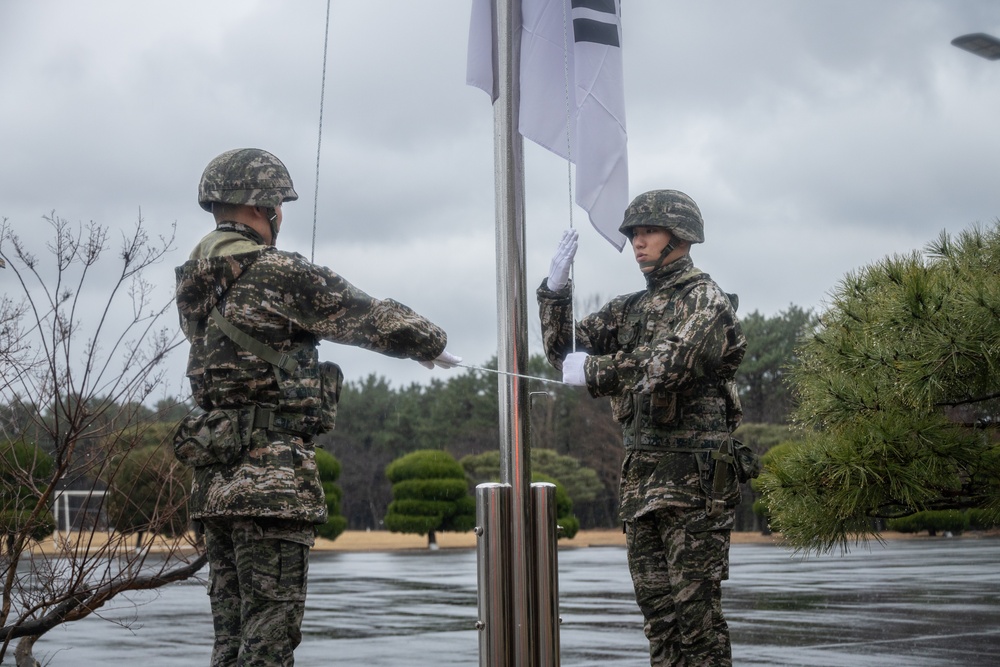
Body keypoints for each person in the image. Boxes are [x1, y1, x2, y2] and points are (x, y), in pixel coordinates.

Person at [173, 148, 459, 667]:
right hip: (271, 485)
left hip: (216, 483)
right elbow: (366, 315)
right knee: (268, 646)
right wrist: (431, 344)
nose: (281, 213)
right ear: (263, 206)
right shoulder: (276, 271)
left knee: (230, 645)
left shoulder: (196, 281)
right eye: (278, 202)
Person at [537, 189, 746, 666]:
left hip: (694, 488)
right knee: (660, 624)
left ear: (681, 235)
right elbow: (563, 351)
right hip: (642, 485)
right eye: (634, 233)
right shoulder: (629, 308)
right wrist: (555, 291)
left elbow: (672, 362)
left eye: (648, 231)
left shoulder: (706, 301)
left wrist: (595, 371)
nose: (637, 241)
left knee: (698, 625)